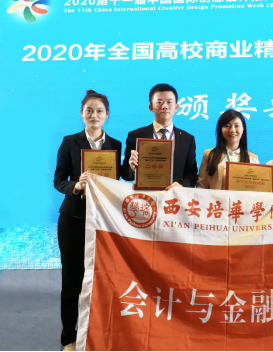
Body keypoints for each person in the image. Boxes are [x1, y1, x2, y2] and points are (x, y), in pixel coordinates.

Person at [53, 90, 122, 352]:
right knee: (72, 280)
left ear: (107, 115)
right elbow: (59, 180)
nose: (94, 115)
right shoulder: (69, 142)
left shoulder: (115, 145)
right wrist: (76, 185)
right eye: (89, 110)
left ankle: (95, 333)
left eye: (99, 111)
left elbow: (120, 179)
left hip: (103, 221)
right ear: (81, 113)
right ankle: (69, 338)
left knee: (100, 280)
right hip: (73, 219)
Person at [121, 84, 198, 189]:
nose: (165, 106)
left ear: (176, 107)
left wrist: (181, 186)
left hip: (174, 196)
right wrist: (132, 168)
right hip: (145, 195)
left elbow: (191, 175)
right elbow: (125, 174)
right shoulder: (136, 135)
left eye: (169, 102)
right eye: (159, 102)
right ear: (151, 107)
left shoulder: (187, 139)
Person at [198, 109, 259, 189]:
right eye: (227, 126)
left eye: (237, 126)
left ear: (243, 128)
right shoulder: (209, 154)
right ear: (220, 129)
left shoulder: (253, 158)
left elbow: (256, 189)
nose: (232, 130)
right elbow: (202, 186)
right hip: (216, 197)